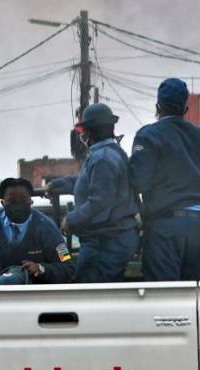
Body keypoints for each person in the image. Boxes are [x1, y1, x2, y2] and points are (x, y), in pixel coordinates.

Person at [130, 78, 200, 281]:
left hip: (165, 229)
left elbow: (138, 181)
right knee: (194, 297)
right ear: (185, 108)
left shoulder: (148, 136)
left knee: (165, 298)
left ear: (158, 107)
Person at [48, 103, 140, 283]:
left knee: (92, 295)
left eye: (82, 130)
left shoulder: (103, 158)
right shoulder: (107, 154)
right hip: (108, 239)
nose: (81, 135)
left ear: (89, 132)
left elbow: (99, 202)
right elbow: (86, 183)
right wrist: (57, 185)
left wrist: (71, 219)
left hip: (106, 242)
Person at [0, 177, 75, 286]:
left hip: (37, 294)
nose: (18, 205)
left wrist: (40, 269)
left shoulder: (48, 228)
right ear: (3, 203)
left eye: (23, 199)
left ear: (31, 201)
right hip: (3, 289)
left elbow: (67, 268)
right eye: (12, 200)